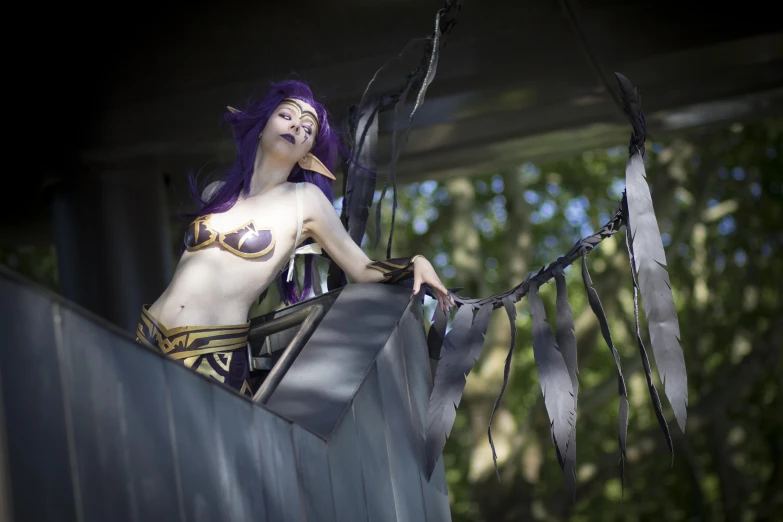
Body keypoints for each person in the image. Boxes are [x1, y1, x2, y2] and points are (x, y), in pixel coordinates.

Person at [135, 80, 454, 397]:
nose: (296, 126)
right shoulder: (217, 193)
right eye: (286, 115)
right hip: (148, 335)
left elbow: (361, 269)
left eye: (308, 128)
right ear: (261, 127)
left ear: (307, 157)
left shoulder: (305, 200)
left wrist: (414, 263)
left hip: (212, 355)